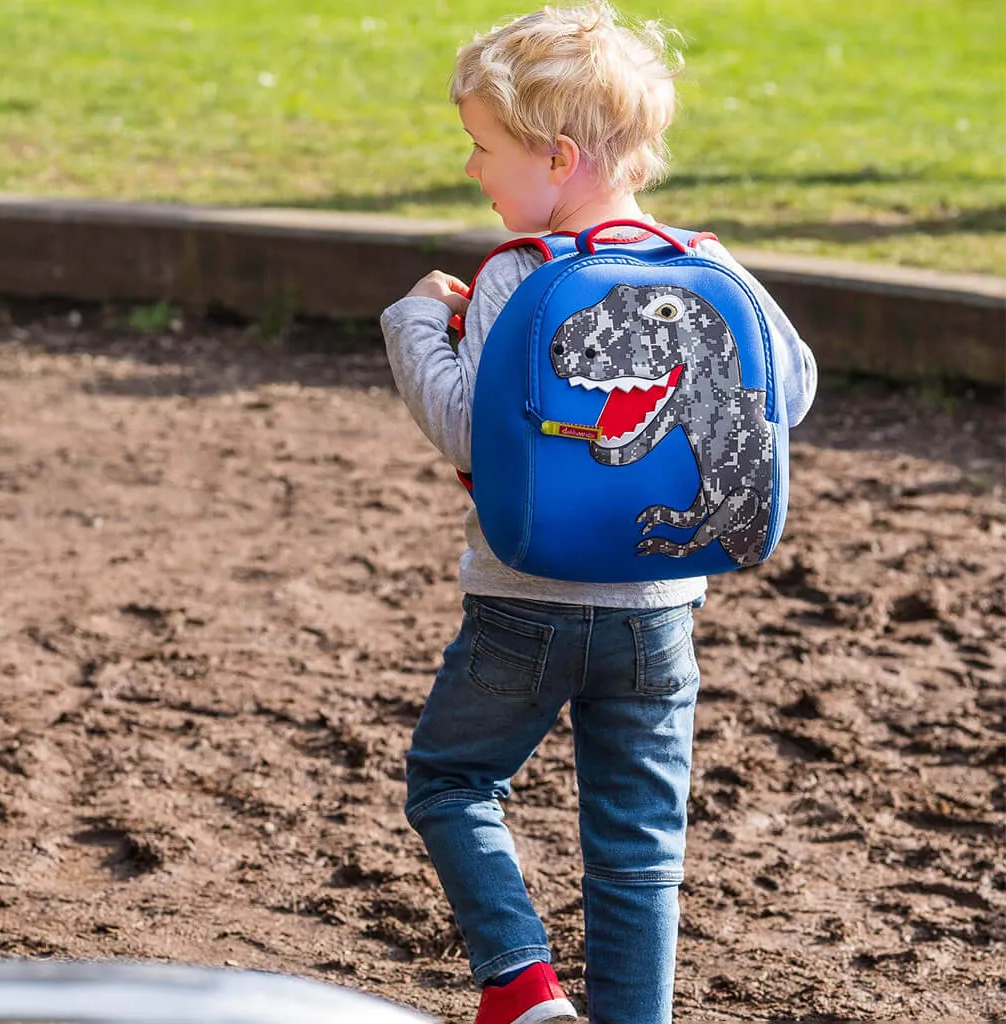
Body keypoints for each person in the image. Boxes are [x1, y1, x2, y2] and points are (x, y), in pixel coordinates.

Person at [379, 4, 817, 1023]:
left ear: (558, 156)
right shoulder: (706, 268)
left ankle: (524, 988)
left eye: (484, 149)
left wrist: (412, 325)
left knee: (450, 780)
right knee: (637, 842)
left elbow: (468, 433)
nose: (476, 171)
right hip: (658, 610)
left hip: (520, 602)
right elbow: (786, 389)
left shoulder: (522, 276)